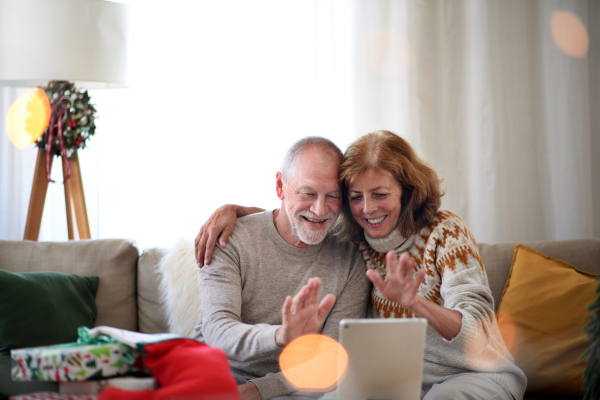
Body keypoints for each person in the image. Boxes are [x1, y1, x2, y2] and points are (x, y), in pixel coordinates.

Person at [195, 130, 527, 400]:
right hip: (401, 384)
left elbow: (480, 334)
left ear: (406, 192)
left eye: (380, 194)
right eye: (355, 197)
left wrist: (416, 303)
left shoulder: (445, 232)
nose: (367, 209)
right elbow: (301, 219)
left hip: (473, 374)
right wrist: (236, 210)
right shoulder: (359, 239)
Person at [194, 136, 371, 400]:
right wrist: (280, 335)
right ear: (280, 186)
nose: (320, 209)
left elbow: (330, 357)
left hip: (290, 388)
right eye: (307, 193)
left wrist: (257, 390)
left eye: (332, 196)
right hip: (214, 375)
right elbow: (218, 330)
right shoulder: (228, 238)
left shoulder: (351, 257)